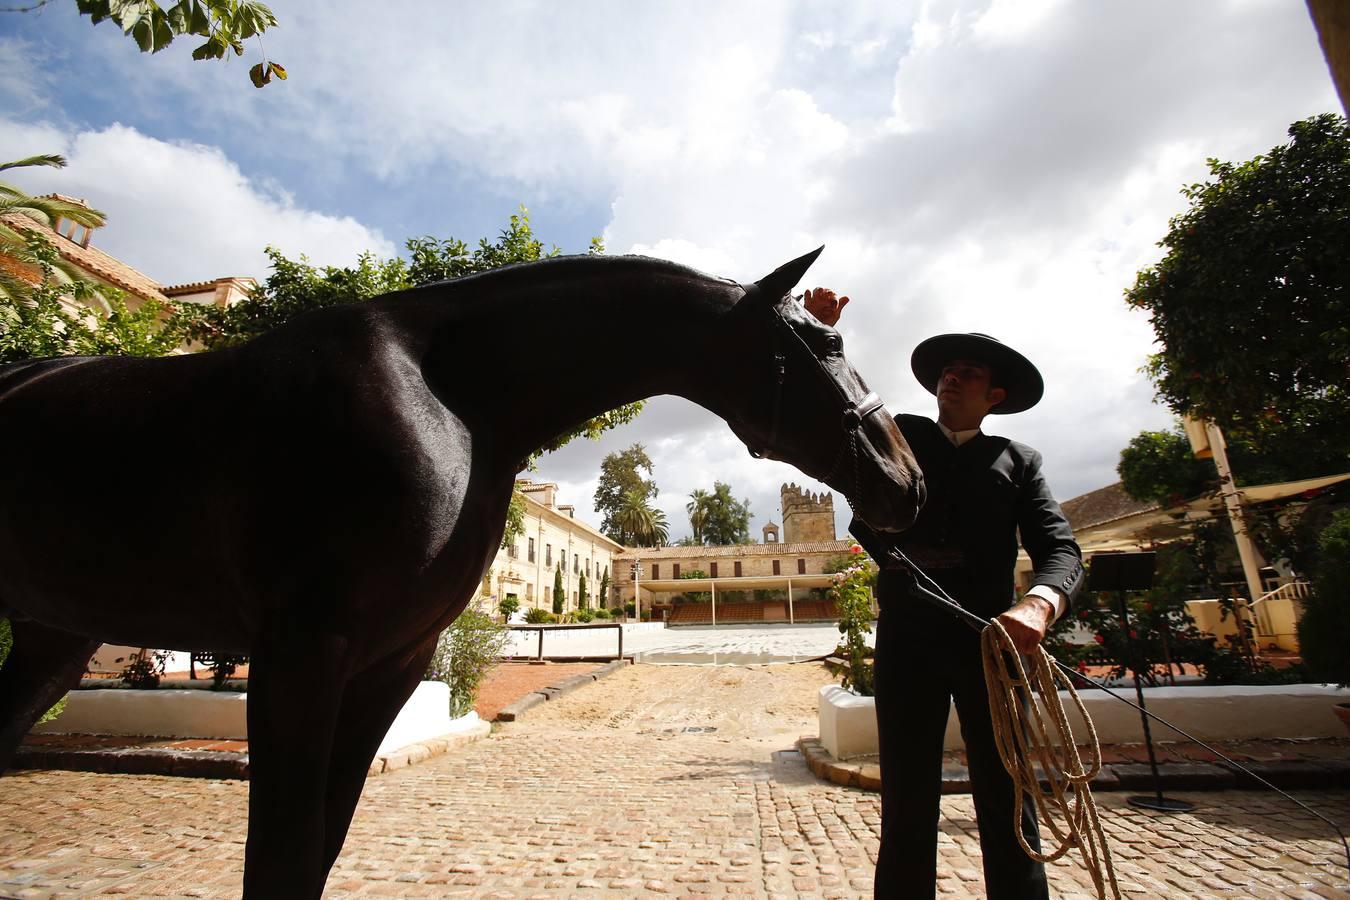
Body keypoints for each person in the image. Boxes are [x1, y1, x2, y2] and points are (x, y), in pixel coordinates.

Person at [803, 288, 1084, 900]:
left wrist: (1037, 604)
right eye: (948, 371)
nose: (953, 379)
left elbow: (1062, 551)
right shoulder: (898, 437)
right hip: (908, 643)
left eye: (971, 373)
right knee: (907, 803)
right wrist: (814, 331)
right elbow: (827, 421)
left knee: (1010, 798)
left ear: (996, 396)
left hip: (994, 648)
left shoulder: (1019, 460)